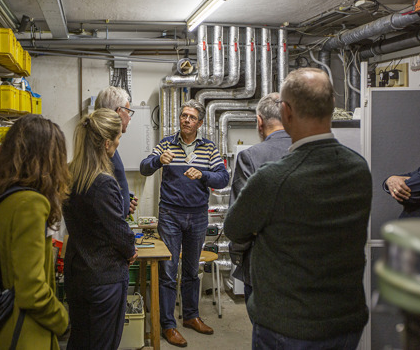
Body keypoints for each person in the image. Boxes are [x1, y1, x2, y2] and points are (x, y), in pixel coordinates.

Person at [224, 68, 372, 350]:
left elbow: (234, 227)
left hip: (288, 326)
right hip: (345, 321)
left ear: (287, 113)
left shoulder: (273, 178)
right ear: (331, 108)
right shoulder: (358, 168)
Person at [0, 115, 69, 350]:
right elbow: (32, 290)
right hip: (17, 333)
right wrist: (62, 320)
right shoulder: (30, 203)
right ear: (49, 159)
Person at [140, 100, 229, 348]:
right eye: (183, 115)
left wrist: (203, 174)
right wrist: (159, 161)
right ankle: (168, 325)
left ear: (200, 123)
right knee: (168, 272)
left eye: (191, 117)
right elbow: (144, 167)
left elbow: (223, 178)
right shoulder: (166, 144)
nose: (186, 120)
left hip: (198, 216)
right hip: (170, 214)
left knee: (191, 270)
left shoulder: (209, 148)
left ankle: (191, 316)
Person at [63, 108, 137, 350]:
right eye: (118, 138)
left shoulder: (70, 173)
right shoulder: (103, 182)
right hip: (103, 277)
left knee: (80, 340)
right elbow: (118, 230)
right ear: (107, 143)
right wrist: (130, 249)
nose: (118, 141)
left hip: (77, 273)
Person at [228, 92, 291, 303]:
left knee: (265, 332)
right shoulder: (311, 151)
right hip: (306, 266)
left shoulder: (250, 157)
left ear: (259, 121)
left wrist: (237, 254)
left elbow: (241, 218)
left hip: (263, 265)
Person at [95, 86, 138, 218]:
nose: (129, 118)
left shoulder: (103, 142)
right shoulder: (102, 147)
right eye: (128, 112)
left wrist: (124, 200)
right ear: (119, 112)